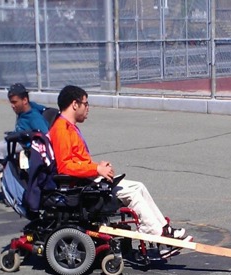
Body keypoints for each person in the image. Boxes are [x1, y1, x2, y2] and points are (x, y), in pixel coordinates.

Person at [48, 85, 192, 258]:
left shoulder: (69, 127)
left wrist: (97, 167)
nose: (88, 108)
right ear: (74, 104)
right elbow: (64, 166)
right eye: (86, 104)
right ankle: (158, 238)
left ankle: (163, 229)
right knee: (132, 193)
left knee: (138, 186)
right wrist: (96, 169)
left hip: (88, 181)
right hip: (81, 189)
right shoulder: (61, 130)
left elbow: (76, 161)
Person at [0, 83, 50, 197]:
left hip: (25, 144)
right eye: (11, 102)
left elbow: (45, 135)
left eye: (14, 102)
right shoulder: (28, 108)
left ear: (24, 100)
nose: (12, 106)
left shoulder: (34, 117)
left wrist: (28, 135)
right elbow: (42, 107)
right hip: (15, 139)